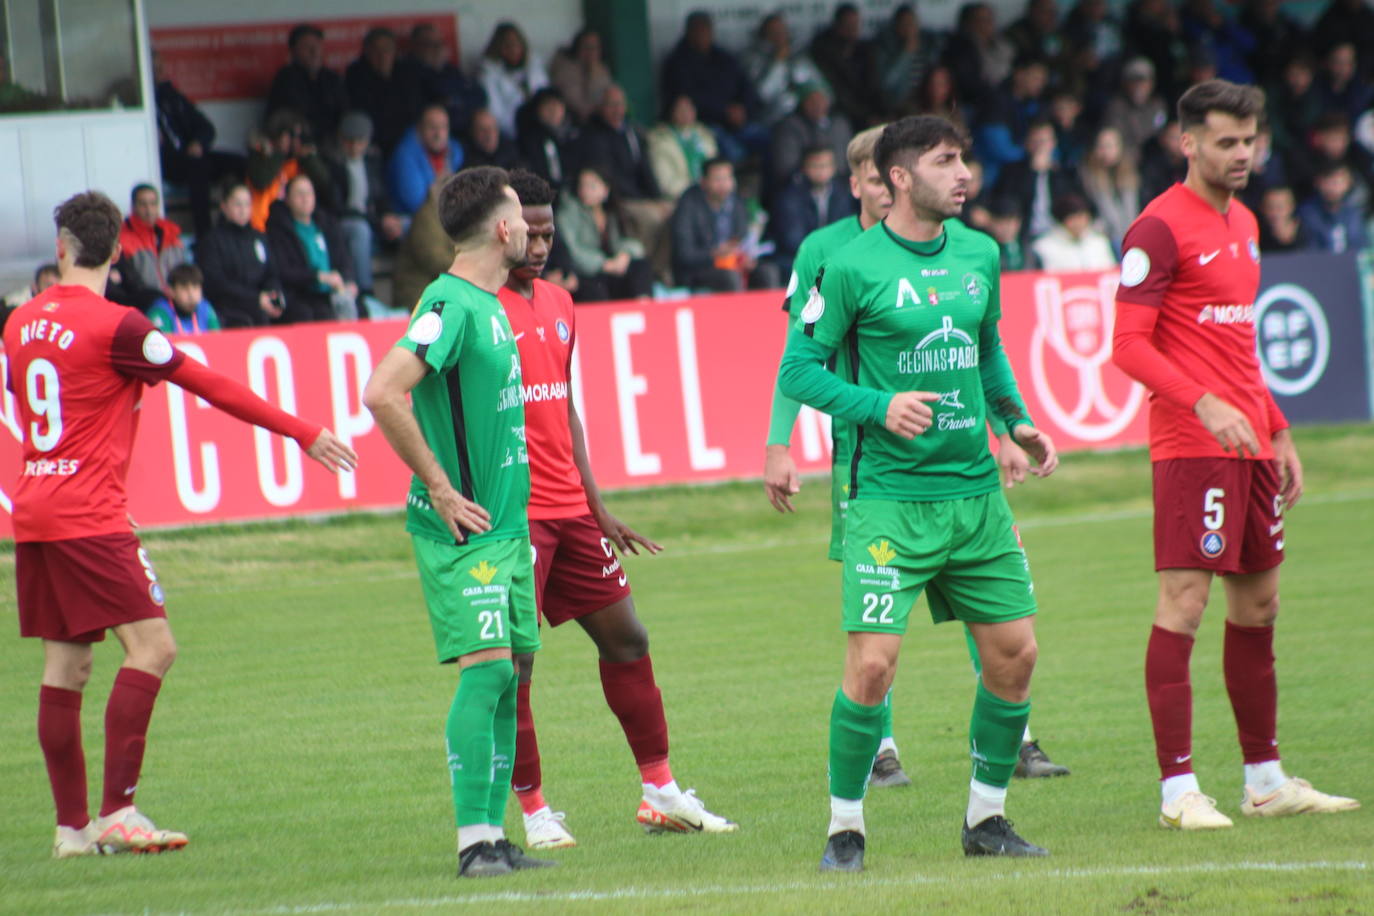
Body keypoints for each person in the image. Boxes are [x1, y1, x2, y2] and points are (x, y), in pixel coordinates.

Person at [7, 190, 355, 860]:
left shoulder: (19, 323)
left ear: (61, 249)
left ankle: (71, 830)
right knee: (154, 648)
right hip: (90, 516)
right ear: (116, 251)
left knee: (66, 666)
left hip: (38, 510)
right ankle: (118, 812)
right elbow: (210, 384)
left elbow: (39, 411)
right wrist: (302, 431)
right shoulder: (122, 327)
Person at [777, 115, 1060, 870]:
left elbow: (986, 346)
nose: (963, 172)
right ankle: (845, 828)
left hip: (974, 495)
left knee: (1016, 653)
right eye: (945, 161)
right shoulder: (849, 265)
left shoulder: (980, 253)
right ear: (900, 177)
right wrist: (878, 406)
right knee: (872, 667)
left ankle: (986, 820)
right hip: (886, 501)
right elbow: (798, 371)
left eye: (964, 158)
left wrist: (1018, 422)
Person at [1110, 79, 1360, 831]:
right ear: (1188, 143)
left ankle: (1265, 779)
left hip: (1251, 444)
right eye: (1226, 141)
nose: (1242, 153)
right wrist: (1202, 403)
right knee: (1184, 605)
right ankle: (1177, 791)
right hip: (1192, 447)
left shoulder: (1247, 222)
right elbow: (1126, 345)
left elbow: (1239, 345)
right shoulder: (1156, 229)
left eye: (1250, 140)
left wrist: (1277, 427)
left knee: (1261, 605)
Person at [494, 168, 737, 850]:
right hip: (515, 516)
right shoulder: (472, 306)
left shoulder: (562, 303)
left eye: (548, 233)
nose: (540, 246)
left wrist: (598, 507)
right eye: (529, 233)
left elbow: (562, 408)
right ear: (501, 229)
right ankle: (534, 810)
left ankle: (660, 791)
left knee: (628, 639)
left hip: (571, 510)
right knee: (516, 663)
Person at [360, 166, 552, 878]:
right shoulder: (447, 303)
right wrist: (438, 487)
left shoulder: (492, 302)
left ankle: (497, 839)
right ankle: (475, 842)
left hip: (506, 530)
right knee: (486, 673)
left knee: (508, 675)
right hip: (463, 533)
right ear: (503, 229)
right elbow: (382, 393)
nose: (533, 230)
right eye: (522, 220)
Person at [153, 52, 243, 236]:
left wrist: (198, 143)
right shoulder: (146, 100)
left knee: (239, 163)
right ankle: (204, 233)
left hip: (191, 154)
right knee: (198, 167)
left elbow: (206, 127)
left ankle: (234, 222)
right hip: (168, 162)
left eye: (161, 67)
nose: (160, 71)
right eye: (155, 67)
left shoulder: (172, 96)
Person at [324, 111, 404, 303]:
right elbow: (335, 206)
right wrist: (376, 220)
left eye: (360, 142)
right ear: (341, 140)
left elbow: (380, 196)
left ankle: (407, 291)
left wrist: (388, 216)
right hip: (345, 224)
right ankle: (366, 292)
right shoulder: (332, 163)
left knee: (408, 224)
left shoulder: (372, 161)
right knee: (360, 231)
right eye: (349, 142)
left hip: (372, 221)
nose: (354, 147)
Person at [669, 158, 778, 292]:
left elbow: (742, 239)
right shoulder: (688, 205)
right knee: (729, 277)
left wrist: (743, 257)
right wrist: (715, 253)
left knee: (767, 272)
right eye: (718, 179)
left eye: (727, 178)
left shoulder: (737, 201)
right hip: (700, 269)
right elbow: (684, 254)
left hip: (733, 263)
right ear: (704, 182)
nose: (723, 184)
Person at [265, 174, 357, 323]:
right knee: (312, 314)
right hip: (299, 295)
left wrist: (348, 280)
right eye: (299, 194)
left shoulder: (326, 224)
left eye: (309, 193)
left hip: (331, 293)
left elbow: (343, 258)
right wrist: (317, 277)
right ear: (287, 199)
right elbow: (283, 270)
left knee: (359, 308)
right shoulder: (279, 229)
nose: (305, 198)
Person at [194, 182, 284, 328]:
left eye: (247, 204)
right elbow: (216, 283)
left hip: (260, 304)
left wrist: (273, 294)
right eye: (237, 204)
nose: (243, 210)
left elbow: (271, 273)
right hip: (227, 308)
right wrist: (255, 299)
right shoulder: (212, 240)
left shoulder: (259, 238)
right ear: (224, 207)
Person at [557, 166, 653, 302]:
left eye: (592, 185)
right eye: (583, 185)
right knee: (595, 287)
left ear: (606, 189)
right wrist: (604, 264)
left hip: (612, 269)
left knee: (640, 266)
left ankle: (644, 307)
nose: (586, 190)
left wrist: (624, 254)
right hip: (589, 272)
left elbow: (627, 243)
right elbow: (573, 251)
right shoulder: (568, 213)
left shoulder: (611, 213)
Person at [769, 146, 856, 277]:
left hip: (835, 258)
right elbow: (792, 240)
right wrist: (821, 257)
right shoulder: (790, 196)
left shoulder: (843, 194)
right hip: (800, 258)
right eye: (816, 166)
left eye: (825, 166)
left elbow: (847, 231)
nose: (821, 171)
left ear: (834, 168)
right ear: (804, 169)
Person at [266, 24, 349, 145]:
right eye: (306, 47)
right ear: (293, 51)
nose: (314, 51)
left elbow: (344, 112)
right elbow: (293, 115)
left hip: (334, 143)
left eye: (317, 46)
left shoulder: (332, 78)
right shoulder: (286, 77)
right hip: (300, 144)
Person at [741, 12, 829, 126]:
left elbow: (820, 85)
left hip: (806, 116)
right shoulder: (753, 58)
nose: (779, 36)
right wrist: (778, 62)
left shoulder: (797, 54)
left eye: (782, 31)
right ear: (764, 35)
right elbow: (762, 94)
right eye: (774, 32)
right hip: (772, 119)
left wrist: (815, 96)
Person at [344, 27, 420, 156]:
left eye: (387, 49)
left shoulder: (406, 73)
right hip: (374, 144)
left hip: (406, 142)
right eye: (376, 50)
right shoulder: (356, 76)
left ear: (395, 51)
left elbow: (414, 110)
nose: (382, 55)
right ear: (367, 52)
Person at [111, 184, 188, 311]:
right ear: (133, 207)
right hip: (144, 307)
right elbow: (130, 282)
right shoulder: (122, 239)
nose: (149, 209)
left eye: (153, 204)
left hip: (177, 307)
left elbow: (184, 273)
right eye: (143, 204)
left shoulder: (173, 235)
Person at [402, 23, 486, 138]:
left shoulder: (450, 69)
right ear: (416, 46)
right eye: (430, 44)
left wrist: (454, 100)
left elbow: (480, 96)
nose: (437, 48)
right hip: (430, 136)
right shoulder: (407, 71)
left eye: (439, 43)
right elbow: (439, 91)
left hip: (464, 131)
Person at [769, 82, 854, 189]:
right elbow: (785, 167)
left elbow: (848, 162)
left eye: (821, 99)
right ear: (803, 102)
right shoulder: (789, 126)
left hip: (839, 185)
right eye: (812, 100)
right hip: (800, 188)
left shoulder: (839, 124)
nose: (818, 105)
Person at [388, 104, 464, 216]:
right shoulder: (404, 156)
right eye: (432, 127)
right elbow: (416, 205)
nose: (439, 134)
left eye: (443, 127)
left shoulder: (454, 150)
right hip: (411, 223)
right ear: (419, 128)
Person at [479, 22, 549, 138]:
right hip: (510, 134)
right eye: (507, 45)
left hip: (540, 131)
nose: (514, 49)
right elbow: (495, 112)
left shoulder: (534, 67)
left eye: (517, 44)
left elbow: (546, 99)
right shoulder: (489, 74)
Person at [646, 94, 718, 202]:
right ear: (672, 112)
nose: (686, 113)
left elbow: (717, 170)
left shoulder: (704, 135)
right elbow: (667, 184)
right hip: (679, 199)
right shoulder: (661, 141)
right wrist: (697, 191)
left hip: (710, 195)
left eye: (689, 108)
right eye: (681, 109)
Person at [1297, 161, 1369, 254]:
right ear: (1319, 183)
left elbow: (1362, 249)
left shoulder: (1354, 213)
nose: (1334, 188)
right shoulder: (1307, 214)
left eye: (1339, 182)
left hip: (1350, 266)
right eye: (1329, 181)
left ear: (1348, 183)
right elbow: (1309, 251)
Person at [1031, 192, 1118, 269]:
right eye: (1072, 218)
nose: (1078, 223)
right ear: (1062, 220)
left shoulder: (1100, 242)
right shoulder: (1044, 246)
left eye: (1081, 217)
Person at [547, 29, 612, 125]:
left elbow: (606, 99)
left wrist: (594, 74)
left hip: (598, 123)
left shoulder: (601, 69)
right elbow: (580, 107)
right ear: (577, 48)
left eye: (596, 47)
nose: (592, 52)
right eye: (587, 47)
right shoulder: (565, 69)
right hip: (571, 123)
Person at [147, 263, 219, 334]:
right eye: (184, 289)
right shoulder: (160, 312)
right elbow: (162, 343)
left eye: (195, 288)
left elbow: (217, 339)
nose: (191, 295)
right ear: (171, 291)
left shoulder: (206, 308)